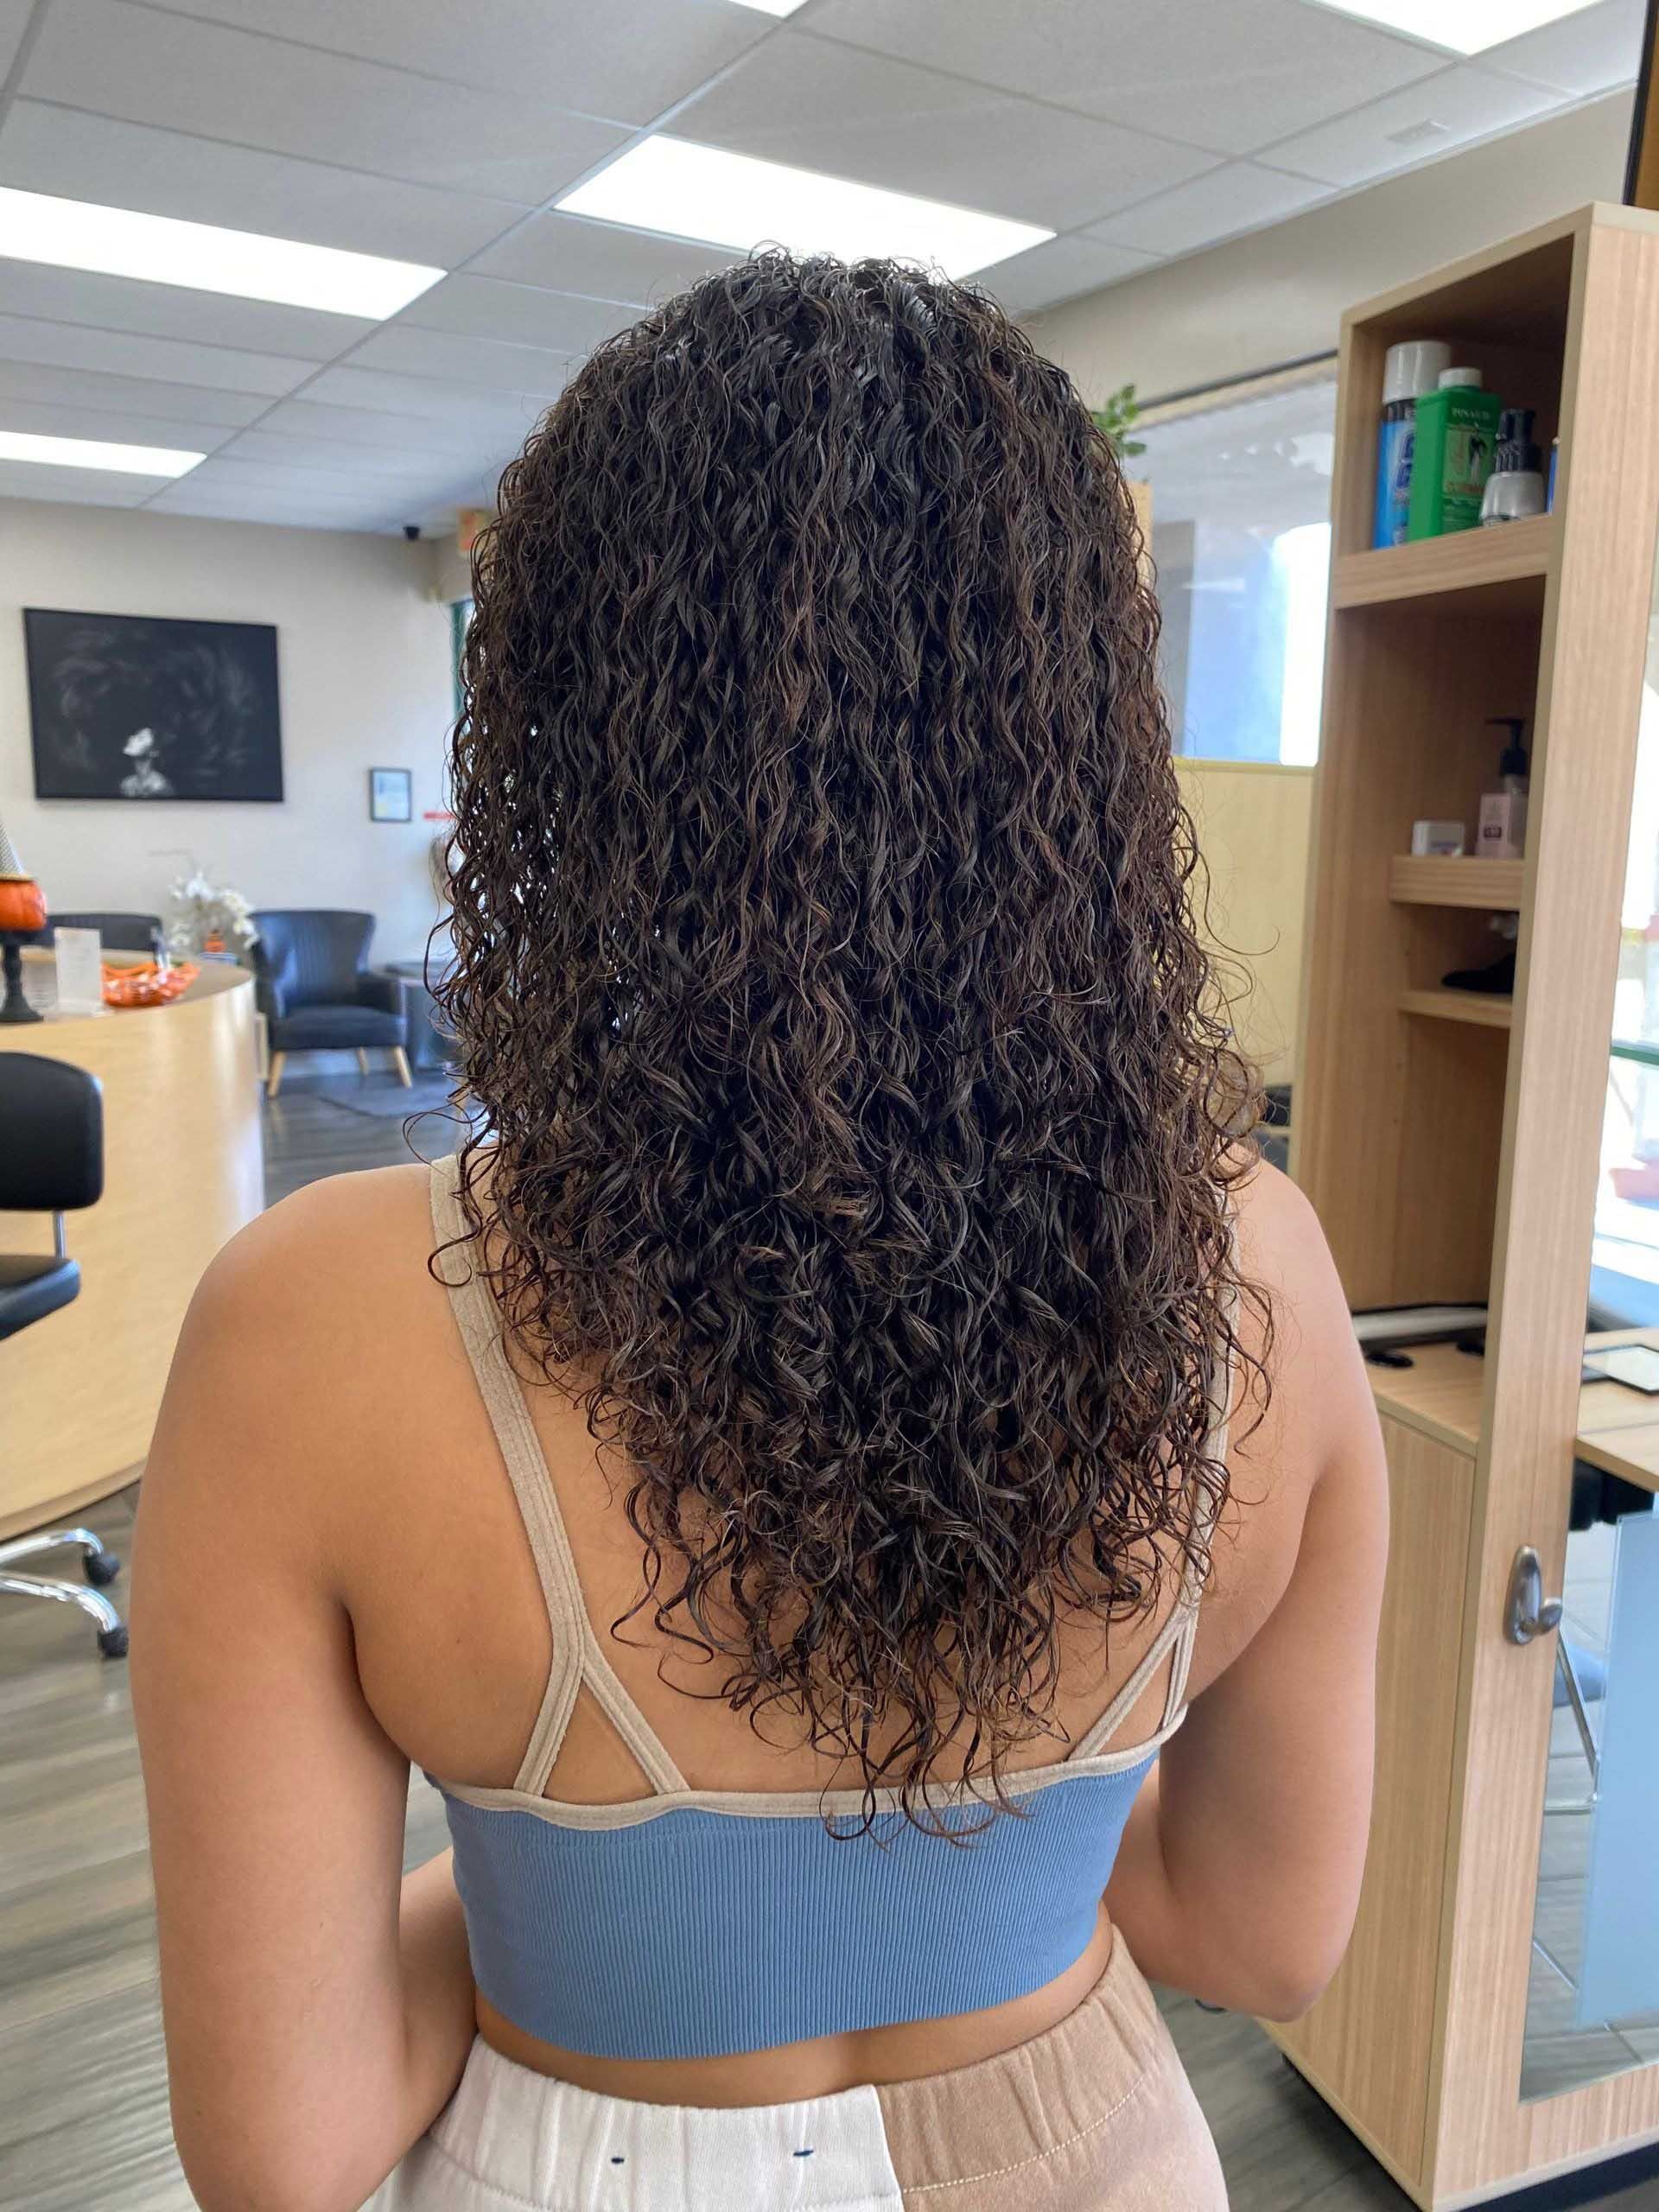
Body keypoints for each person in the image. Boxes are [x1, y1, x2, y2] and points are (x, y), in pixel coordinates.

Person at [132, 255, 1387, 2212]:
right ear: (1081, 731)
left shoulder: (315, 1321)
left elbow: (282, 2148)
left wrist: (593, 1878)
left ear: (555, 735)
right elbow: (1262, 1932)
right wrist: (998, 1837)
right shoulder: (1265, 1272)